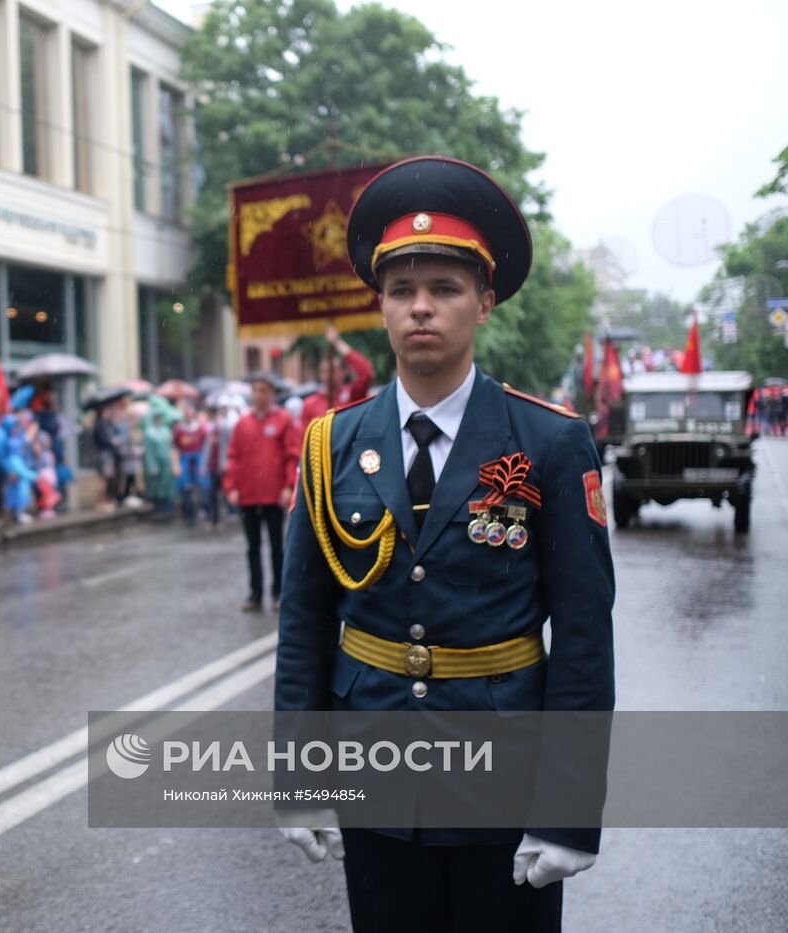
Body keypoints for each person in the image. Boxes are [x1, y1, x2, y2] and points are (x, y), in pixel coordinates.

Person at [275, 156, 614, 932]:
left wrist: (567, 811)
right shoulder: (331, 445)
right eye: (401, 291)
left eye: (445, 289)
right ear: (381, 306)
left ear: (484, 302)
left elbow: (585, 636)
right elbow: (304, 622)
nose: (420, 308)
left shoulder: (551, 443)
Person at [222, 375, 300, 611]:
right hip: (248, 494)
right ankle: (255, 593)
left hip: (274, 495)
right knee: (252, 546)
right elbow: (233, 457)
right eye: (255, 390)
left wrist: (288, 486)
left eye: (263, 390)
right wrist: (232, 486)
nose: (259, 395)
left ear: (272, 394)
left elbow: (291, 456)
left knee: (277, 546)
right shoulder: (243, 424)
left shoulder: (283, 420)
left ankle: (279, 592)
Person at [300, 323, 375, 425]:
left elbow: (366, 373)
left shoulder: (352, 396)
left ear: (343, 372)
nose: (328, 375)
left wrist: (337, 342)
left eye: (332, 370)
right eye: (324, 371)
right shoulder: (309, 404)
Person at [172, 402, 207, 522]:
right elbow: (175, 448)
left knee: (202, 485)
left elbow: (206, 447)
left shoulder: (201, 429)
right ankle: (189, 513)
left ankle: (204, 509)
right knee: (186, 487)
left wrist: (204, 463)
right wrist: (176, 465)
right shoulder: (180, 431)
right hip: (185, 460)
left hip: (199, 460)